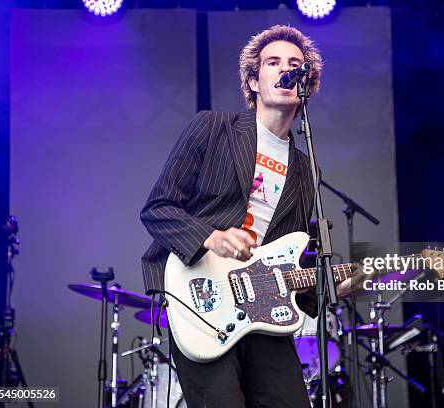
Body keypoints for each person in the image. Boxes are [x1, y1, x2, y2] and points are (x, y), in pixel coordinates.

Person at [140, 25, 352, 408]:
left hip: (262, 312)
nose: (285, 69)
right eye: (273, 63)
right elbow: (157, 209)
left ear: (307, 84)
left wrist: (326, 288)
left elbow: (289, 266)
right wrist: (211, 237)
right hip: (201, 298)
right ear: (254, 81)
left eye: (295, 64)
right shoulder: (214, 128)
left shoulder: (306, 169)